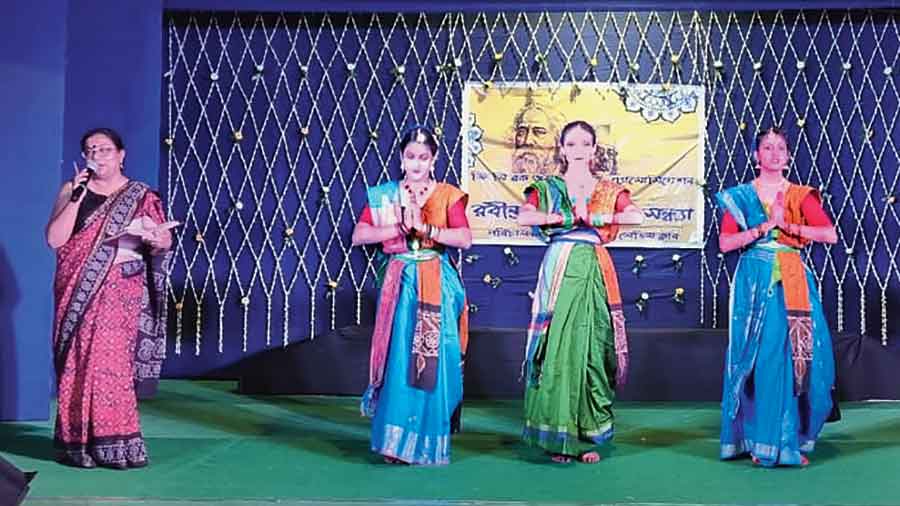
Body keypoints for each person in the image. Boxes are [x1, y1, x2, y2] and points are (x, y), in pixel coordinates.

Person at [45, 127, 174, 469]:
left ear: (121, 155)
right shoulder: (72, 189)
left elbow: (163, 243)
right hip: (77, 287)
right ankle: (77, 445)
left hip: (122, 288)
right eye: (91, 150)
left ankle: (117, 443)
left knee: (109, 363)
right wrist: (77, 195)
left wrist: (155, 238)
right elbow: (56, 240)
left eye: (104, 149)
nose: (97, 155)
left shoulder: (141, 195)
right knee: (78, 360)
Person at [516, 120, 644, 463]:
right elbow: (523, 216)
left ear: (593, 149)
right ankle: (559, 438)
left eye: (584, 144)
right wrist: (560, 218)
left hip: (593, 265)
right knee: (558, 346)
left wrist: (597, 217)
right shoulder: (548, 187)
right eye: (570, 144)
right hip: (560, 266)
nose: (577, 150)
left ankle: (585, 437)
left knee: (590, 346)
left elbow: (637, 217)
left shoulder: (607, 189)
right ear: (561, 148)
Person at [717, 127, 837, 467]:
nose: (773, 153)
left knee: (798, 359)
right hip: (754, 281)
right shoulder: (739, 197)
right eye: (766, 148)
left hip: (792, 278)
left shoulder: (801, 195)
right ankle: (764, 442)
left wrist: (789, 228)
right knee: (761, 359)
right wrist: (763, 227)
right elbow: (725, 244)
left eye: (780, 148)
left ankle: (788, 440)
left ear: (787, 156)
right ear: (756, 156)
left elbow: (829, 234)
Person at [353, 126, 472, 465]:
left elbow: (464, 239)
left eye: (423, 157)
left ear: (434, 160)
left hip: (437, 281)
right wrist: (400, 229)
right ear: (401, 159)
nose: (416, 163)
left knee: (438, 355)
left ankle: (428, 439)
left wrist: (428, 230)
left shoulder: (448, 195)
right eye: (410, 157)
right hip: (400, 283)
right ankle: (396, 445)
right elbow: (359, 235)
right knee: (402, 358)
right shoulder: (386, 194)